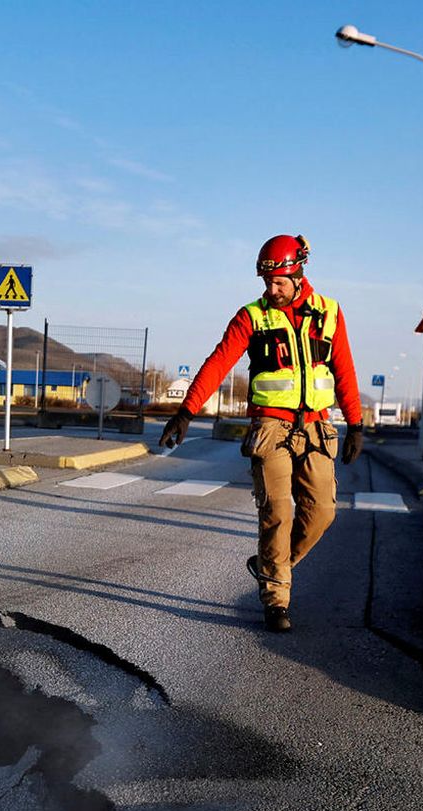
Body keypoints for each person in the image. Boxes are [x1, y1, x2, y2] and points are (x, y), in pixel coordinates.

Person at [160, 234, 364, 632]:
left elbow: (345, 370)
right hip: (270, 428)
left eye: (279, 283)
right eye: (266, 283)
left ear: (298, 275)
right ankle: (277, 601)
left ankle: (272, 567)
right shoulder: (251, 317)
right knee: (277, 513)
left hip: (318, 427)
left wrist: (355, 423)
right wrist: (186, 411)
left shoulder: (330, 313)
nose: (271, 290)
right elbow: (218, 363)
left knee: (322, 511)